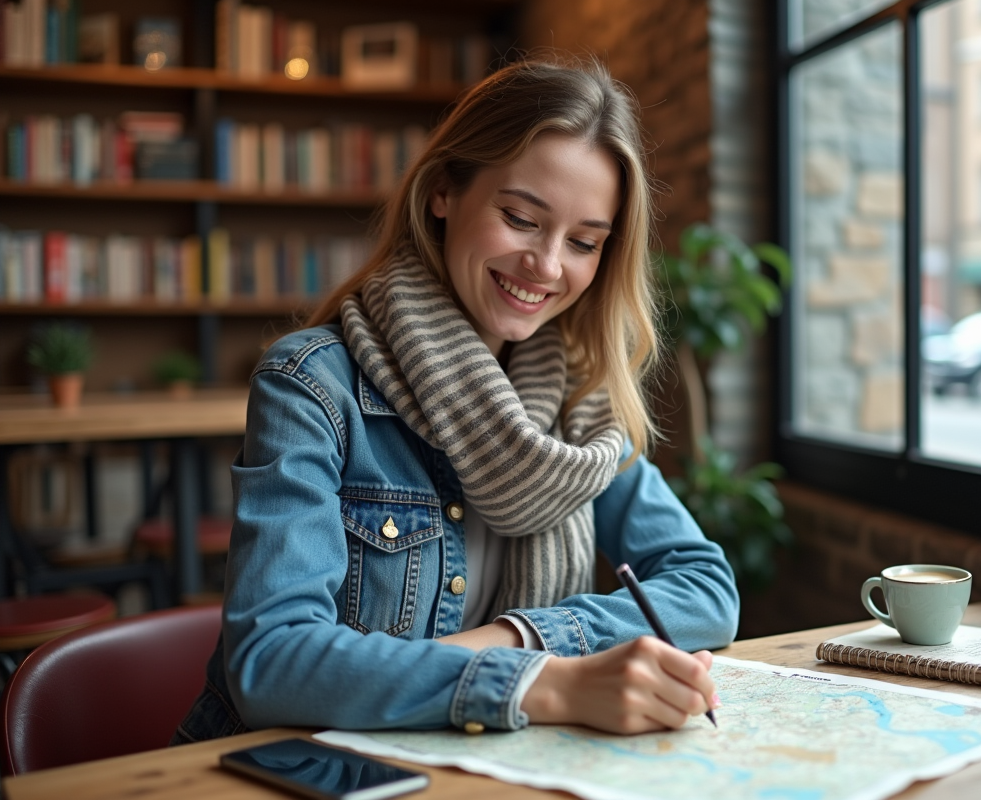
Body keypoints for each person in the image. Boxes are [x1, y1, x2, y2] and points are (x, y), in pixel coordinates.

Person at [173, 57, 739, 742]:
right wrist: (542, 680)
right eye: (521, 218)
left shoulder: (581, 405)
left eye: (585, 242)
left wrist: (521, 637)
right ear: (444, 192)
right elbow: (271, 663)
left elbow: (707, 589)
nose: (549, 266)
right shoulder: (312, 385)